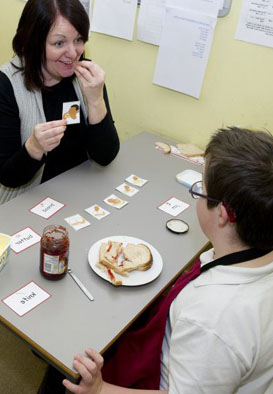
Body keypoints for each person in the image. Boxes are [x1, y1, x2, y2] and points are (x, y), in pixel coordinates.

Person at [50, 126, 272, 394]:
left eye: (201, 188)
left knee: (62, 369)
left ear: (222, 214)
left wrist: (100, 390)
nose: (197, 192)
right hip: (183, 355)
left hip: (155, 377)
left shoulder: (210, 320)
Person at [0, 0, 120, 204]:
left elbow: (105, 156)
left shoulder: (87, 76)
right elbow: (8, 178)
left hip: (79, 195)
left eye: (78, 39)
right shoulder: (6, 85)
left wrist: (95, 99)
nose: (73, 53)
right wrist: (34, 147)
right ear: (33, 43)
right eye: (59, 43)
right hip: (25, 203)